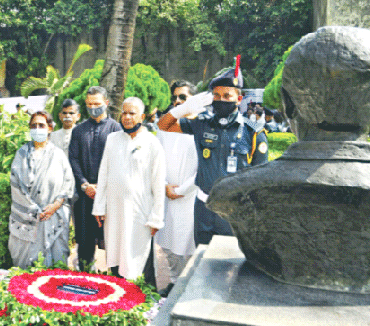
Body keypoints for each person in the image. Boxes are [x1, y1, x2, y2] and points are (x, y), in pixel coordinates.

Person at [158, 63, 268, 246]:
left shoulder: (253, 133)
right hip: (203, 209)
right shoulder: (202, 124)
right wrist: (183, 109)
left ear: (239, 99)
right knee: (202, 261)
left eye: (227, 96)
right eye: (216, 95)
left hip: (234, 211)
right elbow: (163, 125)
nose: (221, 100)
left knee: (230, 265)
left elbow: (261, 179)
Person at [92, 97, 166, 285]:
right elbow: (103, 174)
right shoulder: (112, 139)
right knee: (116, 254)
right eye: (124, 113)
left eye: (131, 113)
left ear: (141, 116)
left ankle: (147, 304)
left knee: (140, 259)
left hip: (140, 214)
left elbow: (158, 184)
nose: (126, 117)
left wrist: (157, 217)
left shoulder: (152, 143)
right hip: (114, 212)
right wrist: (99, 207)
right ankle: (119, 298)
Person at [154, 80, 208, 296]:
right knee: (168, 245)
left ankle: (192, 287)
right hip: (167, 196)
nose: (177, 101)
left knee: (191, 246)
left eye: (183, 98)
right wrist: (165, 186)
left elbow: (206, 166)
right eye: (175, 97)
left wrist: (182, 190)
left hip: (191, 197)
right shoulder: (166, 128)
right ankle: (175, 283)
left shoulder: (204, 127)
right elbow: (155, 160)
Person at [8, 111, 75, 268]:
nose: (37, 128)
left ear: (50, 128)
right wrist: (34, 210)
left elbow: (68, 183)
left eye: (41, 125)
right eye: (34, 126)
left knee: (56, 263)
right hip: (28, 217)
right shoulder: (22, 154)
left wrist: (54, 206)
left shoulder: (58, 155)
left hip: (54, 215)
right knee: (27, 266)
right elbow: (15, 184)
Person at [68, 86, 121, 270]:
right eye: (89, 104)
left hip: (110, 197)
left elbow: (120, 162)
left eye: (97, 104)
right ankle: (85, 279)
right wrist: (84, 185)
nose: (93, 107)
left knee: (113, 241)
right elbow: (73, 159)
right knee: (84, 242)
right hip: (84, 196)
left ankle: (116, 281)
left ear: (106, 103)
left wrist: (103, 187)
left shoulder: (117, 130)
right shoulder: (78, 131)